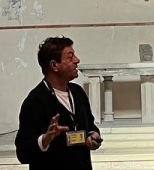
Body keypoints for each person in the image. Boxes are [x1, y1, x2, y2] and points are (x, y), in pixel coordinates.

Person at [14, 37, 101, 169]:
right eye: (70, 57)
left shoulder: (78, 92)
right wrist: (45, 139)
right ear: (54, 65)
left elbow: (90, 125)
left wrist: (93, 135)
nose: (77, 60)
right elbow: (23, 152)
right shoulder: (35, 101)